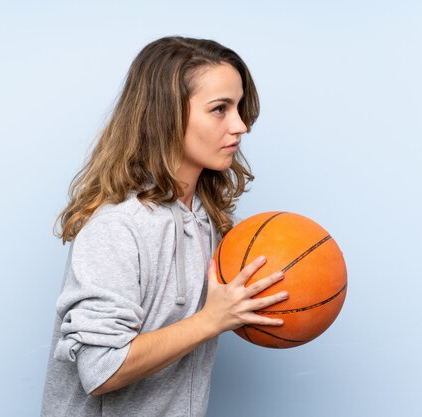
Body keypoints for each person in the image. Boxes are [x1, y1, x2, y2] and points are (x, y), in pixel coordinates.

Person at [40, 35, 288, 417]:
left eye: (238, 107)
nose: (240, 125)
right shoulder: (117, 227)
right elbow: (101, 370)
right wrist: (212, 319)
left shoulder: (209, 220)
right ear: (167, 115)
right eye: (220, 109)